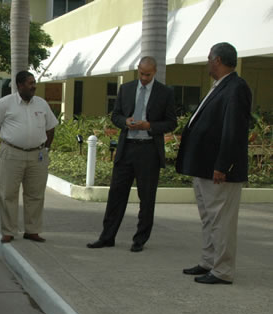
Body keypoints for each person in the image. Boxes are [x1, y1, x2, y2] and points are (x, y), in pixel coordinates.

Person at [176, 42, 252, 285]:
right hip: (204, 168)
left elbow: (234, 131)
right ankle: (209, 261)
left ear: (218, 60)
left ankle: (222, 270)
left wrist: (223, 165)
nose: (207, 63)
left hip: (219, 170)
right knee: (209, 219)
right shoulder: (220, 86)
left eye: (209, 58)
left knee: (221, 222)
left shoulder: (236, 88)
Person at [87, 56, 176, 252]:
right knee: (116, 194)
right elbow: (115, 115)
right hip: (126, 147)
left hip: (149, 150)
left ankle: (140, 240)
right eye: (141, 73)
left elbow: (171, 122)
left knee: (147, 197)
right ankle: (107, 236)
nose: (144, 78)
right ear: (138, 69)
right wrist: (125, 122)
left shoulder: (165, 93)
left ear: (155, 72)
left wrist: (150, 126)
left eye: (148, 75)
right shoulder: (126, 89)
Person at [0, 70, 59, 243]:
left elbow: (51, 128)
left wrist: (45, 149)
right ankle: (9, 231)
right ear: (19, 85)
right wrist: (12, 137)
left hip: (38, 155)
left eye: (34, 82)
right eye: (30, 83)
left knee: (35, 194)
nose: (34, 86)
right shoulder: (5, 103)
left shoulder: (41, 104)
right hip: (12, 153)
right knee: (8, 193)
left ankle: (32, 230)